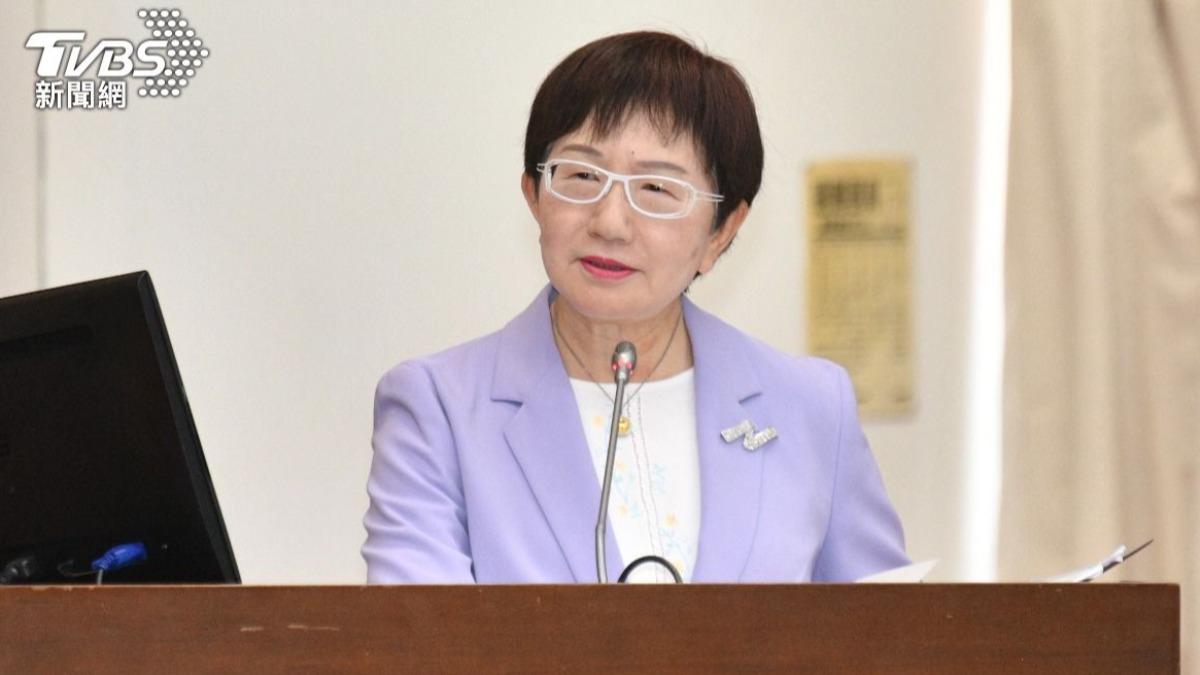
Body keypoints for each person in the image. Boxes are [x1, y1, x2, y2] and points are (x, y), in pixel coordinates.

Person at [363, 31, 907, 583]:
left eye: (656, 189)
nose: (610, 222)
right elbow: (418, 627)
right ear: (534, 194)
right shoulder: (440, 408)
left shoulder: (812, 408)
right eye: (581, 176)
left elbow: (887, 626)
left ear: (722, 230)